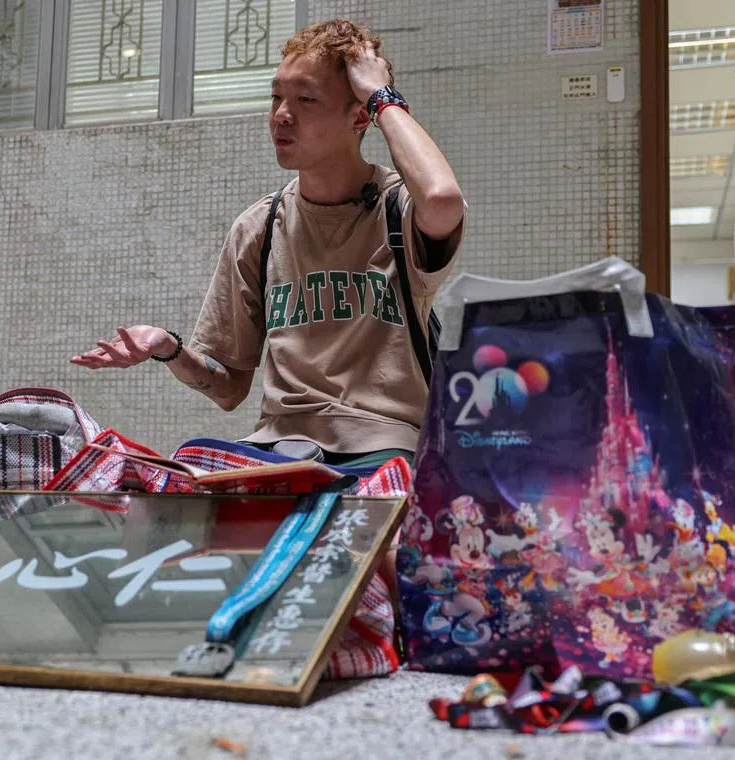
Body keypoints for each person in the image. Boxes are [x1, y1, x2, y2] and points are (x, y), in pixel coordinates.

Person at [72, 18, 466, 469]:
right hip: (277, 447)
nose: (281, 115)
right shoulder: (259, 226)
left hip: (384, 447)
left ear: (359, 116)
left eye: (306, 99)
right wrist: (169, 348)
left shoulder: (399, 209)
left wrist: (381, 96)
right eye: (276, 96)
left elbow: (442, 198)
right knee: (175, 474)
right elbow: (228, 388)